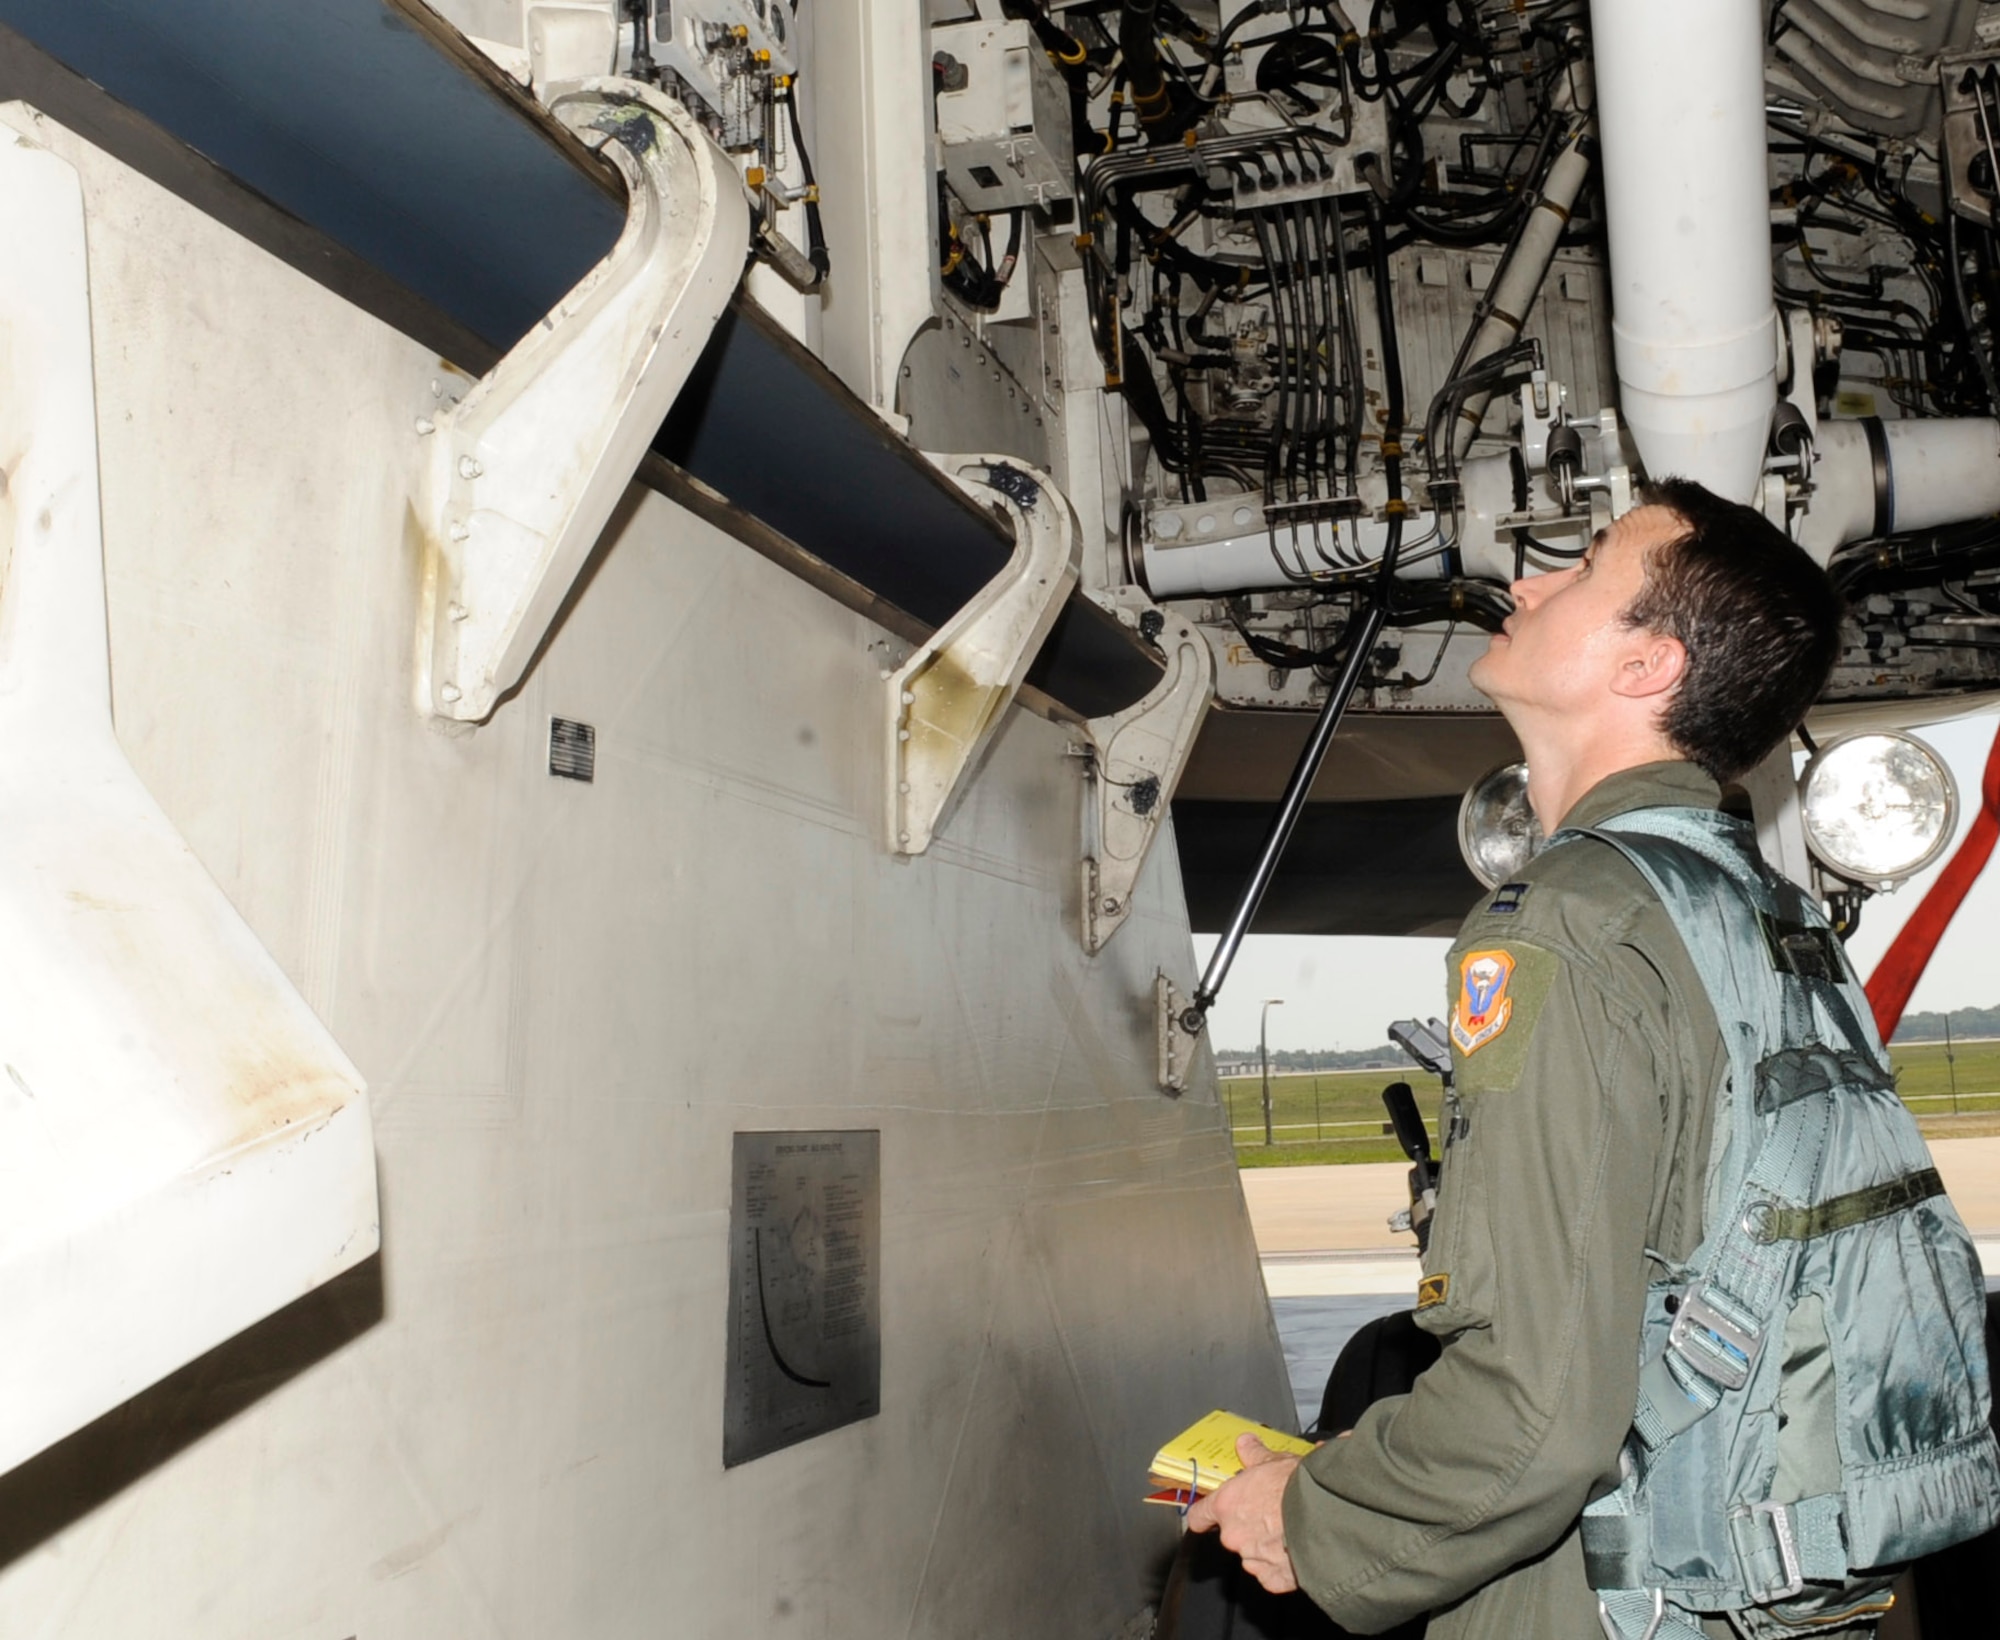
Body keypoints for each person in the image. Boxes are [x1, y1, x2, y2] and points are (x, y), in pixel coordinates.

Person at [1186, 478, 1949, 1635]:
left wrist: (1308, 1513)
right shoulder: (1759, 911)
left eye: (1582, 568)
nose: (1527, 581)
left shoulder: (1572, 919)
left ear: (1645, 667)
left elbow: (1533, 1415)